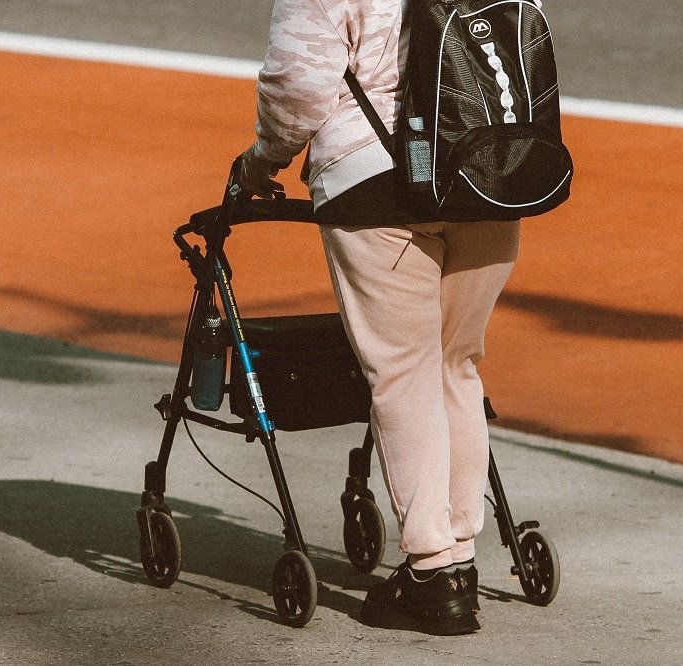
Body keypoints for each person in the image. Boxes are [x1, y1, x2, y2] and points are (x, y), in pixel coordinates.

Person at [239, 0, 520, 636]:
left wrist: (263, 159)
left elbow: (299, 83)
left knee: (404, 373)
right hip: (491, 174)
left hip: (378, 183)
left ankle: (431, 571)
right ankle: (461, 555)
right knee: (456, 365)